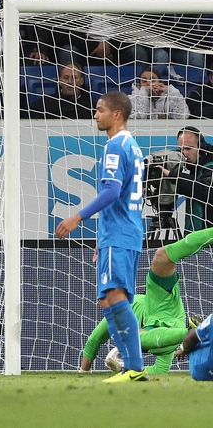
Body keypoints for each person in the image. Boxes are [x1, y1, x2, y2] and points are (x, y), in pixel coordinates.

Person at [56, 91, 147, 383]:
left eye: (100, 110)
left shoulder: (114, 146)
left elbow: (111, 191)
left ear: (116, 114)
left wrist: (77, 217)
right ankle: (129, 367)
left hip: (120, 232)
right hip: (125, 231)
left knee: (115, 295)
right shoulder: (133, 146)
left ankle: (134, 366)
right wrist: (101, 238)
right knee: (107, 300)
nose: (95, 115)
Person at [79, 231, 202, 375]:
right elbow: (95, 339)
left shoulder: (129, 308)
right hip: (168, 330)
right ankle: (194, 334)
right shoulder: (116, 313)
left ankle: (195, 333)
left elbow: (160, 369)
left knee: (135, 337)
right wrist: (83, 372)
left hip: (172, 323)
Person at [158, 127, 213, 235]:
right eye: (181, 149)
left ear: (201, 148)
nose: (184, 154)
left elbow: (202, 188)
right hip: (195, 237)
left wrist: (172, 176)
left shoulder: (210, 166)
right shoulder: (190, 167)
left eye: (188, 149)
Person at [27, 63, 93, 119]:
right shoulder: (42, 105)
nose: (70, 82)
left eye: (74, 78)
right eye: (66, 78)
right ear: (59, 81)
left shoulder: (91, 108)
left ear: (82, 81)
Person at [175, 313, 213, 380]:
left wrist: (183, 349)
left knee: (194, 339)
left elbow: (190, 337)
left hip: (205, 372)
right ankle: (201, 331)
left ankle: (199, 329)